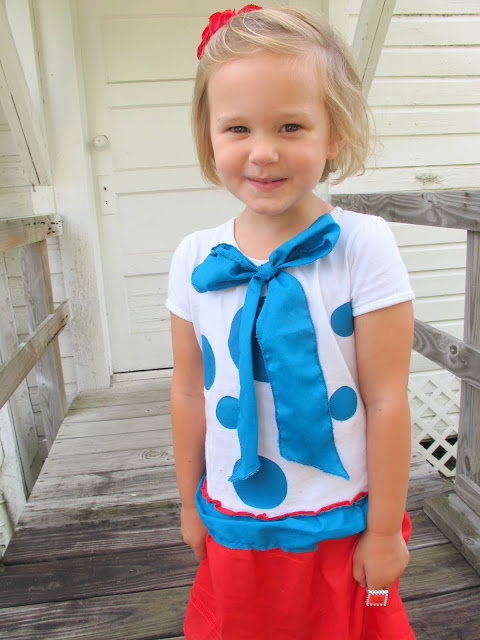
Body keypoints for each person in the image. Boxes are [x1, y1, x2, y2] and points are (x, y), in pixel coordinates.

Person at [167, 6, 416, 639]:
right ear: (209, 136)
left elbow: (387, 399)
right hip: (236, 517)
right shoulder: (194, 258)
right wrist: (190, 504)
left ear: (334, 134)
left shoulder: (361, 246)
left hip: (341, 521)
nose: (263, 151)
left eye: (291, 125)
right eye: (237, 128)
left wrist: (384, 532)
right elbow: (188, 391)